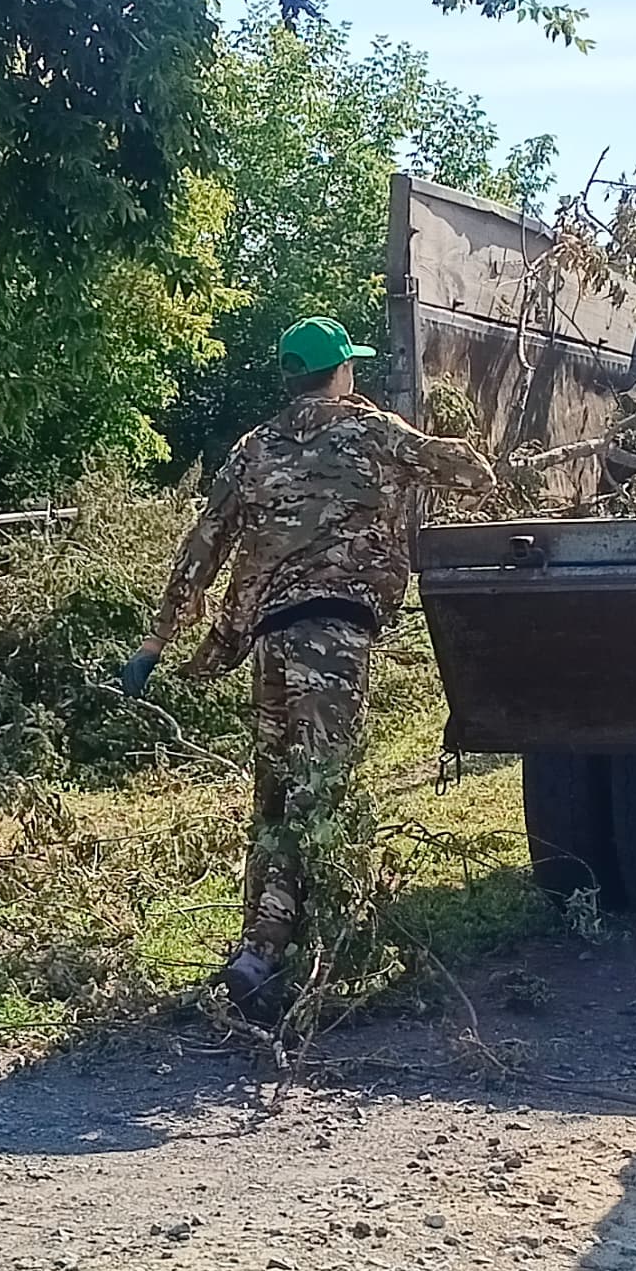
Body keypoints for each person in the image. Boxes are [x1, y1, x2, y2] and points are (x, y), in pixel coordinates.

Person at [128, 314, 502, 1021]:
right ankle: (280, 953)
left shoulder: (253, 448)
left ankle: (259, 946)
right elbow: (471, 474)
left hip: (270, 638)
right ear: (341, 372)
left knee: (274, 794)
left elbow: (202, 545)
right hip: (333, 637)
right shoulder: (372, 431)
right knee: (319, 793)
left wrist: (156, 642)